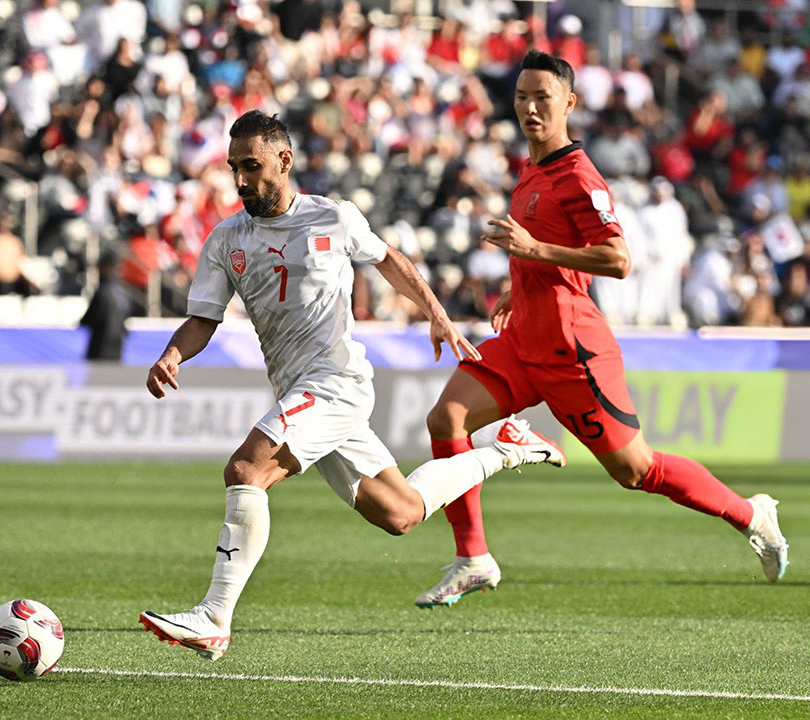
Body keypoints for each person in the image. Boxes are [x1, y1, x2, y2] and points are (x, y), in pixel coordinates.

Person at [137, 110, 564, 662]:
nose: (240, 180)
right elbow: (203, 318)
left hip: (335, 383)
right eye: (234, 168)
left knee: (246, 470)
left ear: (284, 161)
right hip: (296, 390)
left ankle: (214, 617)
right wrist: (172, 354)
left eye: (252, 167)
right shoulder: (226, 239)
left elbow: (389, 260)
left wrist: (437, 314)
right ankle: (506, 448)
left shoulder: (333, 217)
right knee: (400, 513)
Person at [417, 50, 789, 609]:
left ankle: (750, 513)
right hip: (524, 340)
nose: (530, 108)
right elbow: (552, 249)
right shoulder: (532, 168)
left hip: (573, 351)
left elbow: (617, 259)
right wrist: (520, 285)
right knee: (446, 419)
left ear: (569, 102)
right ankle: (473, 559)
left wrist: (535, 251)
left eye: (542, 98)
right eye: (521, 97)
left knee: (637, 471)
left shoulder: (577, 175)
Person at [81, 248, 131, 360]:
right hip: (117, 351)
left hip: (99, 351)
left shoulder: (103, 291)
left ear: (106, 268)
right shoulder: (122, 291)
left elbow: (87, 319)